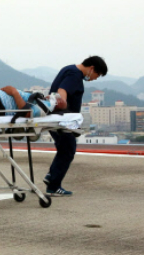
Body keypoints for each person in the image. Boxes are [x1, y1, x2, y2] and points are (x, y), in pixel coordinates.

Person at [43, 56, 108, 197]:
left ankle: (51, 177)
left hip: (56, 118)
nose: (95, 78)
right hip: (63, 120)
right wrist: (63, 106)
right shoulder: (75, 75)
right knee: (68, 150)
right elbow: (62, 91)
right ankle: (53, 187)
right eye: (97, 75)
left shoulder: (69, 69)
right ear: (92, 68)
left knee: (64, 149)